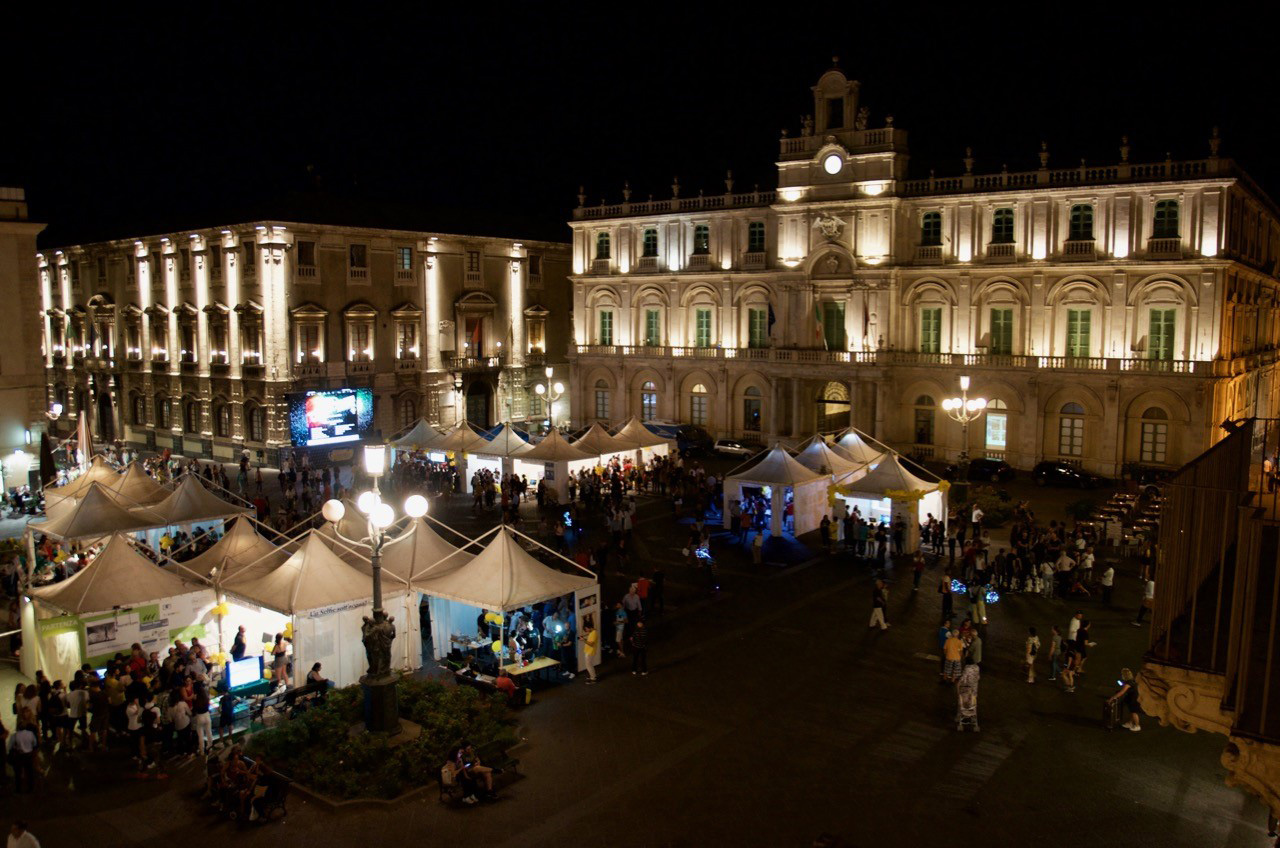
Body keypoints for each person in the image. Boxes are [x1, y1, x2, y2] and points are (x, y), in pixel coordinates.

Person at [955, 657, 980, 732]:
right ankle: (973, 715)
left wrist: (958, 684)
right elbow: (978, 677)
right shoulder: (977, 668)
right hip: (974, 688)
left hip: (965, 689)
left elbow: (963, 679)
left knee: (962, 702)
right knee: (973, 701)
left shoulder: (967, 669)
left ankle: (960, 715)